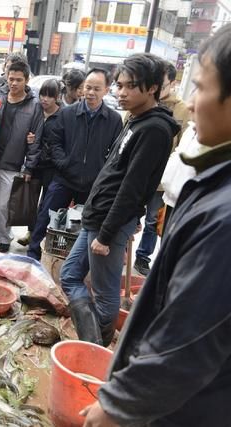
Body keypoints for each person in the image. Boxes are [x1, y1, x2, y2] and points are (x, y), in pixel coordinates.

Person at [80, 25, 231, 427]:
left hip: (183, 410)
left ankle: (96, 342)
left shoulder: (225, 213)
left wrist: (119, 405)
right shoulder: (215, 176)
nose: (193, 104)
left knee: (106, 290)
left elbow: (190, 337)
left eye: (201, 89)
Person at [60, 54, 179, 348]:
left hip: (107, 225)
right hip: (98, 216)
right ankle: (92, 339)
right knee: (70, 276)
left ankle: (94, 348)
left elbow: (132, 187)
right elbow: (115, 172)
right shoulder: (136, 120)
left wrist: (108, 233)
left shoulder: (154, 130)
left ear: (152, 88)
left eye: (129, 87)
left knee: (104, 293)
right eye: (119, 85)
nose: (121, 93)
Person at [27, 69, 123, 260]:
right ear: (82, 89)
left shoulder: (113, 119)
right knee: (46, 216)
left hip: (93, 184)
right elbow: (55, 143)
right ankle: (32, 255)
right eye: (88, 87)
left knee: (84, 224)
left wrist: (101, 172)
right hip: (64, 178)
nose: (91, 92)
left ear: (106, 90)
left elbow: (115, 153)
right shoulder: (68, 114)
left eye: (97, 88)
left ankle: (68, 260)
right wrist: (65, 163)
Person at [133, 62, 191, 276]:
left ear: (172, 83)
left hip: (162, 179)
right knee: (130, 216)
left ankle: (142, 257)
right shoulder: (143, 103)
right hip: (139, 175)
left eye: (162, 84)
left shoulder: (183, 109)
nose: (156, 88)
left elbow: (185, 145)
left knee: (151, 221)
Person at [0, 60, 44, 252]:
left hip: (13, 163)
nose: (14, 83)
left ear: (27, 80)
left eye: (18, 80)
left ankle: (5, 238)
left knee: (4, 205)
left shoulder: (34, 106)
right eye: (11, 79)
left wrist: (29, 167)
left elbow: (36, 138)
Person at [17, 79, 62, 246]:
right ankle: (31, 233)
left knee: (46, 204)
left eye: (50, 96)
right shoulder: (36, 111)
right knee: (30, 202)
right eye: (43, 94)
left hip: (51, 166)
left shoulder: (62, 115)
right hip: (34, 164)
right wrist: (30, 140)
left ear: (57, 97)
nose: (45, 99)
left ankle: (40, 236)